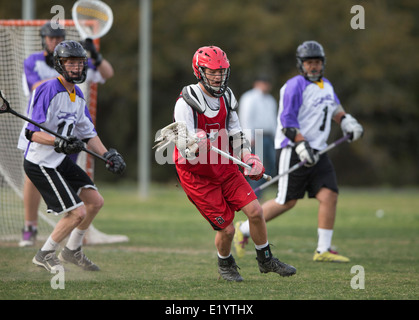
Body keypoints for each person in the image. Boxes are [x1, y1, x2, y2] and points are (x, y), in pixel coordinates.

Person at [172, 45, 296, 281]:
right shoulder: (186, 101)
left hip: (224, 167)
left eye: (222, 71)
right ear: (199, 71)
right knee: (227, 229)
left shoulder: (227, 97)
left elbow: (236, 133)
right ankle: (225, 264)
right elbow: (180, 143)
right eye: (212, 72)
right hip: (197, 175)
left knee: (256, 211)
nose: (218, 76)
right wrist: (195, 143)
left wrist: (249, 157)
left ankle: (266, 259)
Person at [234, 41, 363, 262]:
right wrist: (302, 145)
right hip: (293, 149)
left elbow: (335, 109)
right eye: (309, 63)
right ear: (301, 64)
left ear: (323, 64)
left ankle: (323, 250)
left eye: (317, 62)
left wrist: (346, 122)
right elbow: (287, 123)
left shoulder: (327, 85)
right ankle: (244, 229)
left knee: (329, 195)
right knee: (286, 201)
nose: (313, 67)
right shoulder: (294, 86)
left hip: (318, 151)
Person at [23, 40, 125, 271]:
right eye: (71, 63)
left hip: (59, 160)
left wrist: (107, 154)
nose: (77, 68)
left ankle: (72, 251)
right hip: (41, 163)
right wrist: (58, 141)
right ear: (60, 65)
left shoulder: (77, 94)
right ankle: (45, 253)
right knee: (76, 213)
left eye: (80, 63)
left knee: (95, 202)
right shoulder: (47, 89)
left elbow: (88, 133)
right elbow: (32, 133)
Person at [238, 74, 277, 199]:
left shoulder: (270, 100)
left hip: (269, 136)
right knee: (256, 168)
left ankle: (256, 193)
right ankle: (253, 195)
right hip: (257, 136)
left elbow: (273, 120)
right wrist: (249, 136)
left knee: (271, 167)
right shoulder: (249, 98)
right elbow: (245, 118)